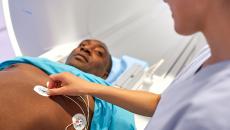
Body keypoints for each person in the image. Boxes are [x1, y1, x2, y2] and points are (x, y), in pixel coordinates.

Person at [47, 0, 230, 129]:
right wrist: (87, 86)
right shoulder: (208, 53)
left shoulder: (220, 107)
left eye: (99, 52)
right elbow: (160, 103)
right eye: (83, 45)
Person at [0, 39, 136, 130]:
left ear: (105, 75)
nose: (86, 49)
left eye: (99, 53)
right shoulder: (33, 62)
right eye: (82, 45)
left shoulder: (113, 99)